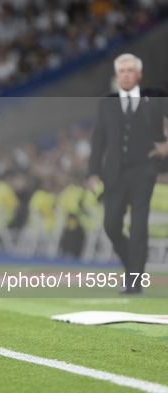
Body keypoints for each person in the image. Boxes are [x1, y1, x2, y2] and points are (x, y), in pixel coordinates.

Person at [87, 53, 168, 294]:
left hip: (144, 171)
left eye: (130, 70)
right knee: (111, 225)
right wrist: (92, 172)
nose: (125, 75)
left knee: (138, 226)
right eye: (121, 71)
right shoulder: (106, 102)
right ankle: (132, 268)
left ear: (139, 74)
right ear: (117, 75)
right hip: (114, 173)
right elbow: (98, 140)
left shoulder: (154, 98)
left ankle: (134, 281)